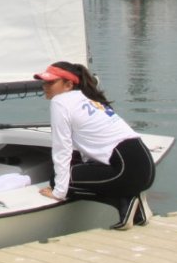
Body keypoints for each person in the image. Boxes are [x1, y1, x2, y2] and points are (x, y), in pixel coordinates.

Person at [35, 61, 156, 230]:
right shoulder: (88, 98)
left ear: (68, 84)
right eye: (44, 82)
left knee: (58, 181)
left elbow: (62, 149)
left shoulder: (60, 102)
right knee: (72, 174)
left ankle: (124, 201)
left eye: (51, 82)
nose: (45, 86)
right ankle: (135, 205)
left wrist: (58, 191)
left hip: (125, 170)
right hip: (145, 166)